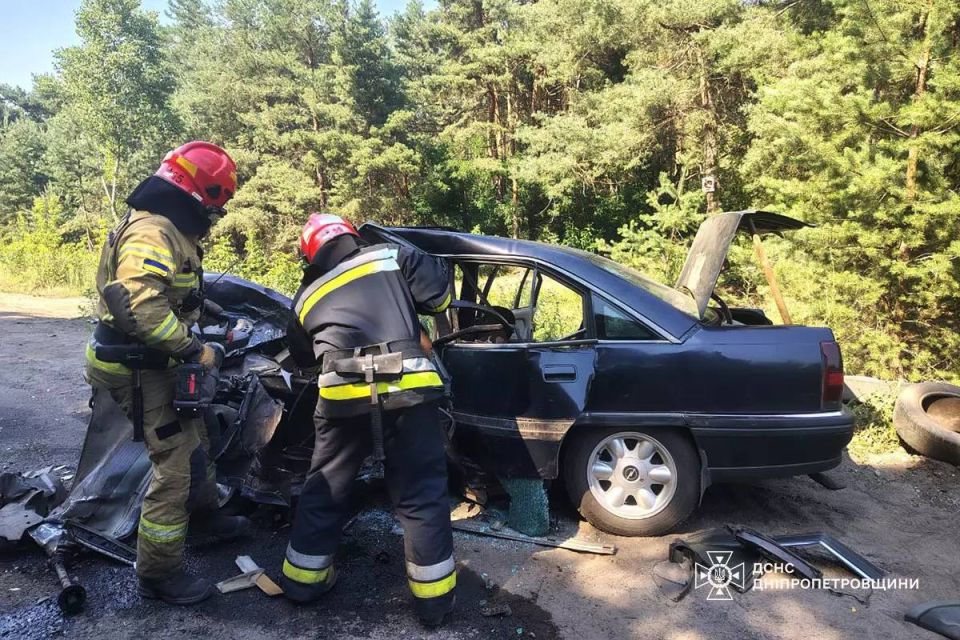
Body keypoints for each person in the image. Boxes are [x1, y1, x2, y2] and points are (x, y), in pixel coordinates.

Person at [84, 141, 249, 605]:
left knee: (196, 439)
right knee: (173, 464)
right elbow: (141, 306)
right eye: (216, 205)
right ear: (198, 193)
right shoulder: (154, 231)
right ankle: (158, 574)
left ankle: (205, 516)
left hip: (154, 361)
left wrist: (209, 308)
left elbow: (170, 288)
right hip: (138, 368)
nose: (216, 216)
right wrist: (196, 350)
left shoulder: (168, 228)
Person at [282, 213, 456, 627]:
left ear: (310, 254)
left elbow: (304, 358)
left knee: (325, 486)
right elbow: (440, 298)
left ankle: (302, 583)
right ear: (352, 235)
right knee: (421, 493)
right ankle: (433, 605)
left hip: (342, 398)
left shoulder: (306, 295)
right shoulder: (391, 256)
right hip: (408, 390)